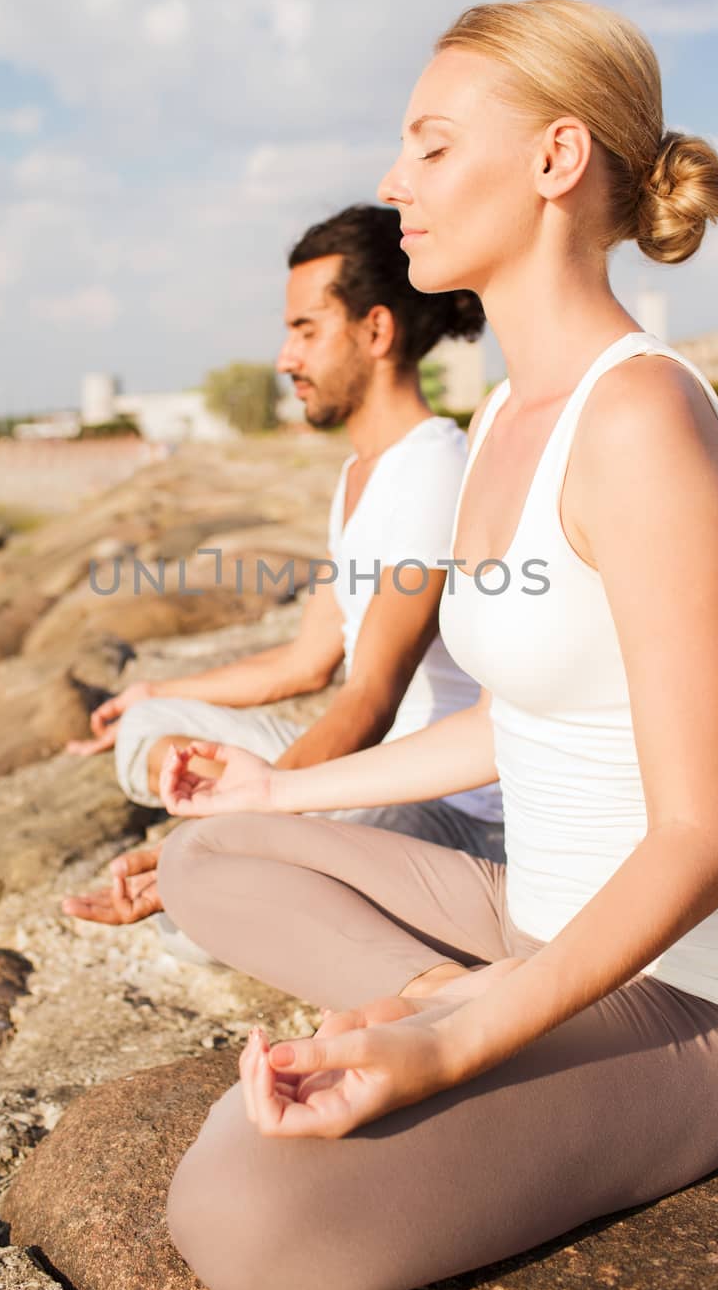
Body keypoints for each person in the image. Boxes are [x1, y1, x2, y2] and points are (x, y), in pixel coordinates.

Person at [148, 0, 718, 1290]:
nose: (395, 182)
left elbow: (698, 837)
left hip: (684, 998)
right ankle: (436, 975)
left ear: (556, 159)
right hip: (527, 917)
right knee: (202, 853)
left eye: (433, 145)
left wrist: (442, 1055)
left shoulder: (641, 419)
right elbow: (533, 719)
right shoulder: (505, 408)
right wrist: (272, 792)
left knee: (237, 1212)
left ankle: (455, 999)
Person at [61, 204, 504, 930]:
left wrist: (229, 831)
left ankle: (239, 872)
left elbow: (369, 700)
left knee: (199, 913)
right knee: (150, 724)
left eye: (304, 329)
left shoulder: (431, 474)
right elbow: (306, 662)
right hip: (376, 773)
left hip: (446, 807)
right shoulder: (365, 473)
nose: (283, 358)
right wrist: (154, 686)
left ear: (376, 330)